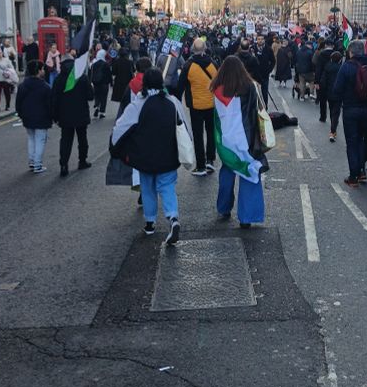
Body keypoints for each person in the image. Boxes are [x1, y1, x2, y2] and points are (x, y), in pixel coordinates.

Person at [110, 67, 186, 242]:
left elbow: (120, 128)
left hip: (144, 155)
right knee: (167, 187)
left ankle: (150, 223)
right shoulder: (172, 102)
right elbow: (183, 127)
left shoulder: (137, 105)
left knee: (148, 188)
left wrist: (114, 147)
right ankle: (173, 217)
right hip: (169, 153)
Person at [210, 55, 268, 228]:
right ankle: (247, 217)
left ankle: (223, 207)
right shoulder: (249, 87)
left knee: (227, 171)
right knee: (250, 173)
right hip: (246, 138)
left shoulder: (216, 89)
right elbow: (257, 112)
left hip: (226, 140)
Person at [333, 39, 367, 186]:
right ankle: (361, 171)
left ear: (351, 52)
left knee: (352, 142)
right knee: (362, 140)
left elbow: (337, 89)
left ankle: (353, 175)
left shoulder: (347, 66)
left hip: (351, 109)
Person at [176, 37, 218, 176]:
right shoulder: (213, 64)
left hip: (195, 106)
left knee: (198, 135)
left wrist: (175, 102)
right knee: (211, 132)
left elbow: (180, 86)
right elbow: (219, 83)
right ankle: (210, 160)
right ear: (205, 48)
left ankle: (200, 166)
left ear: (193, 49)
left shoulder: (188, 66)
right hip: (211, 104)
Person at [51, 56, 94, 176]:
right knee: (82, 138)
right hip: (81, 114)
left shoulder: (58, 79)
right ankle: (82, 161)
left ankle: (64, 165)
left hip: (65, 115)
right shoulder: (81, 78)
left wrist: (55, 116)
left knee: (65, 140)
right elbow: (90, 96)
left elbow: (54, 99)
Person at [15, 60, 52, 173]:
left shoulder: (23, 85)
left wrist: (21, 114)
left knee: (31, 139)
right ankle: (37, 165)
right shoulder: (45, 87)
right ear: (39, 71)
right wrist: (52, 117)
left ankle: (32, 162)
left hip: (27, 117)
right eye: (42, 69)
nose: (44, 70)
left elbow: (18, 103)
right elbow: (50, 104)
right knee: (40, 140)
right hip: (41, 117)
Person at [319, 49, 343, 142]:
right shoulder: (341, 68)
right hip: (338, 93)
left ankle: (333, 128)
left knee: (331, 109)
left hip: (329, 92)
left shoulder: (327, 67)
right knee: (336, 112)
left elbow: (323, 81)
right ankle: (333, 130)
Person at [314, 40, 334, 122]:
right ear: (332, 46)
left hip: (322, 79)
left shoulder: (321, 54)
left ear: (325, 45)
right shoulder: (336, 54)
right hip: (333, 80)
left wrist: (316, 81)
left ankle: (323, 116)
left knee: (323, 100)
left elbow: (318, 69)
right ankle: (333, 117)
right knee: (332, 101)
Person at [91, 48, 113, 118]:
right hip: (104, 83)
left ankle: (97, 106)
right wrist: (111, 82)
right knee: (104, 97)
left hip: (96, 83)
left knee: (97, 96)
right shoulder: (106, 64)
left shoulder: (94, 64)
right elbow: (109, 74)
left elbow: (91, 74)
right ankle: (102, 112)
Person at [255, 35, 275, 107]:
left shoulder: (268, 49)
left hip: (264, 75)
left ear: (264, 40)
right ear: (256, 40)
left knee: (264, 92)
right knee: (255, 93)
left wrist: (268, 70)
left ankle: (265, 107)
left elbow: (273, 61)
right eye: (259, 39)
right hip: (255, 76)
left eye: (262, 39)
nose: (260, 40)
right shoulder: (253, 48)